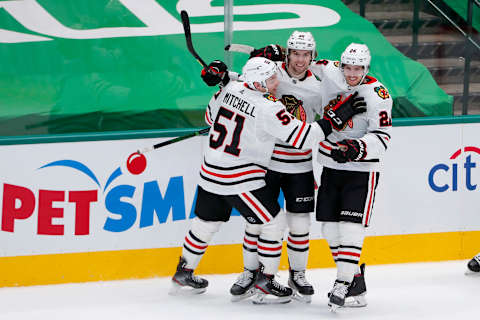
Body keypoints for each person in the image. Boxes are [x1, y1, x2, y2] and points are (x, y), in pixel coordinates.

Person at [171, 57, 366, 304]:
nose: (277, 82)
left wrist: (221, 81)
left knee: (205, 222)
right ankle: (266, 279)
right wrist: (335, 119)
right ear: (260, 83)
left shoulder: (230, 88)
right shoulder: (268, 107)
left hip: (210, 172)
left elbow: (210, 119)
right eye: (272, 78)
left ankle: (184, 271)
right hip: (238, 177)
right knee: (274, 222)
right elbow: (304, 137)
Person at [201, 31, 325, 303]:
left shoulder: (319, 87)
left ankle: (298, 274)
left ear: (312, 56)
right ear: (288, 53)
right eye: (295, 53)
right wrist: (220, 77)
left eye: (306, 54)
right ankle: (251, 272)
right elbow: (244, 80)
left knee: (300, 224)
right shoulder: (272, 71)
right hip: (267, 164)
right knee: (257, 221)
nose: (300, 60)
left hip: (299, 164)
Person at [309, 43, 392, 311]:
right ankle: (355, 278)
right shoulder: (331, 71)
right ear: (341, 65)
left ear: (366, 68)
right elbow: (302, 63)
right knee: (329, 228)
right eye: (348, 67)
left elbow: (382, 136)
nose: (352, 73)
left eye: (358, 69)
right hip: (332, 165)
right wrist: (270, 55)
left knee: (351, 227)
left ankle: (342, 282)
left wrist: (357, 149)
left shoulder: (378, 95)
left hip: (362, 169)